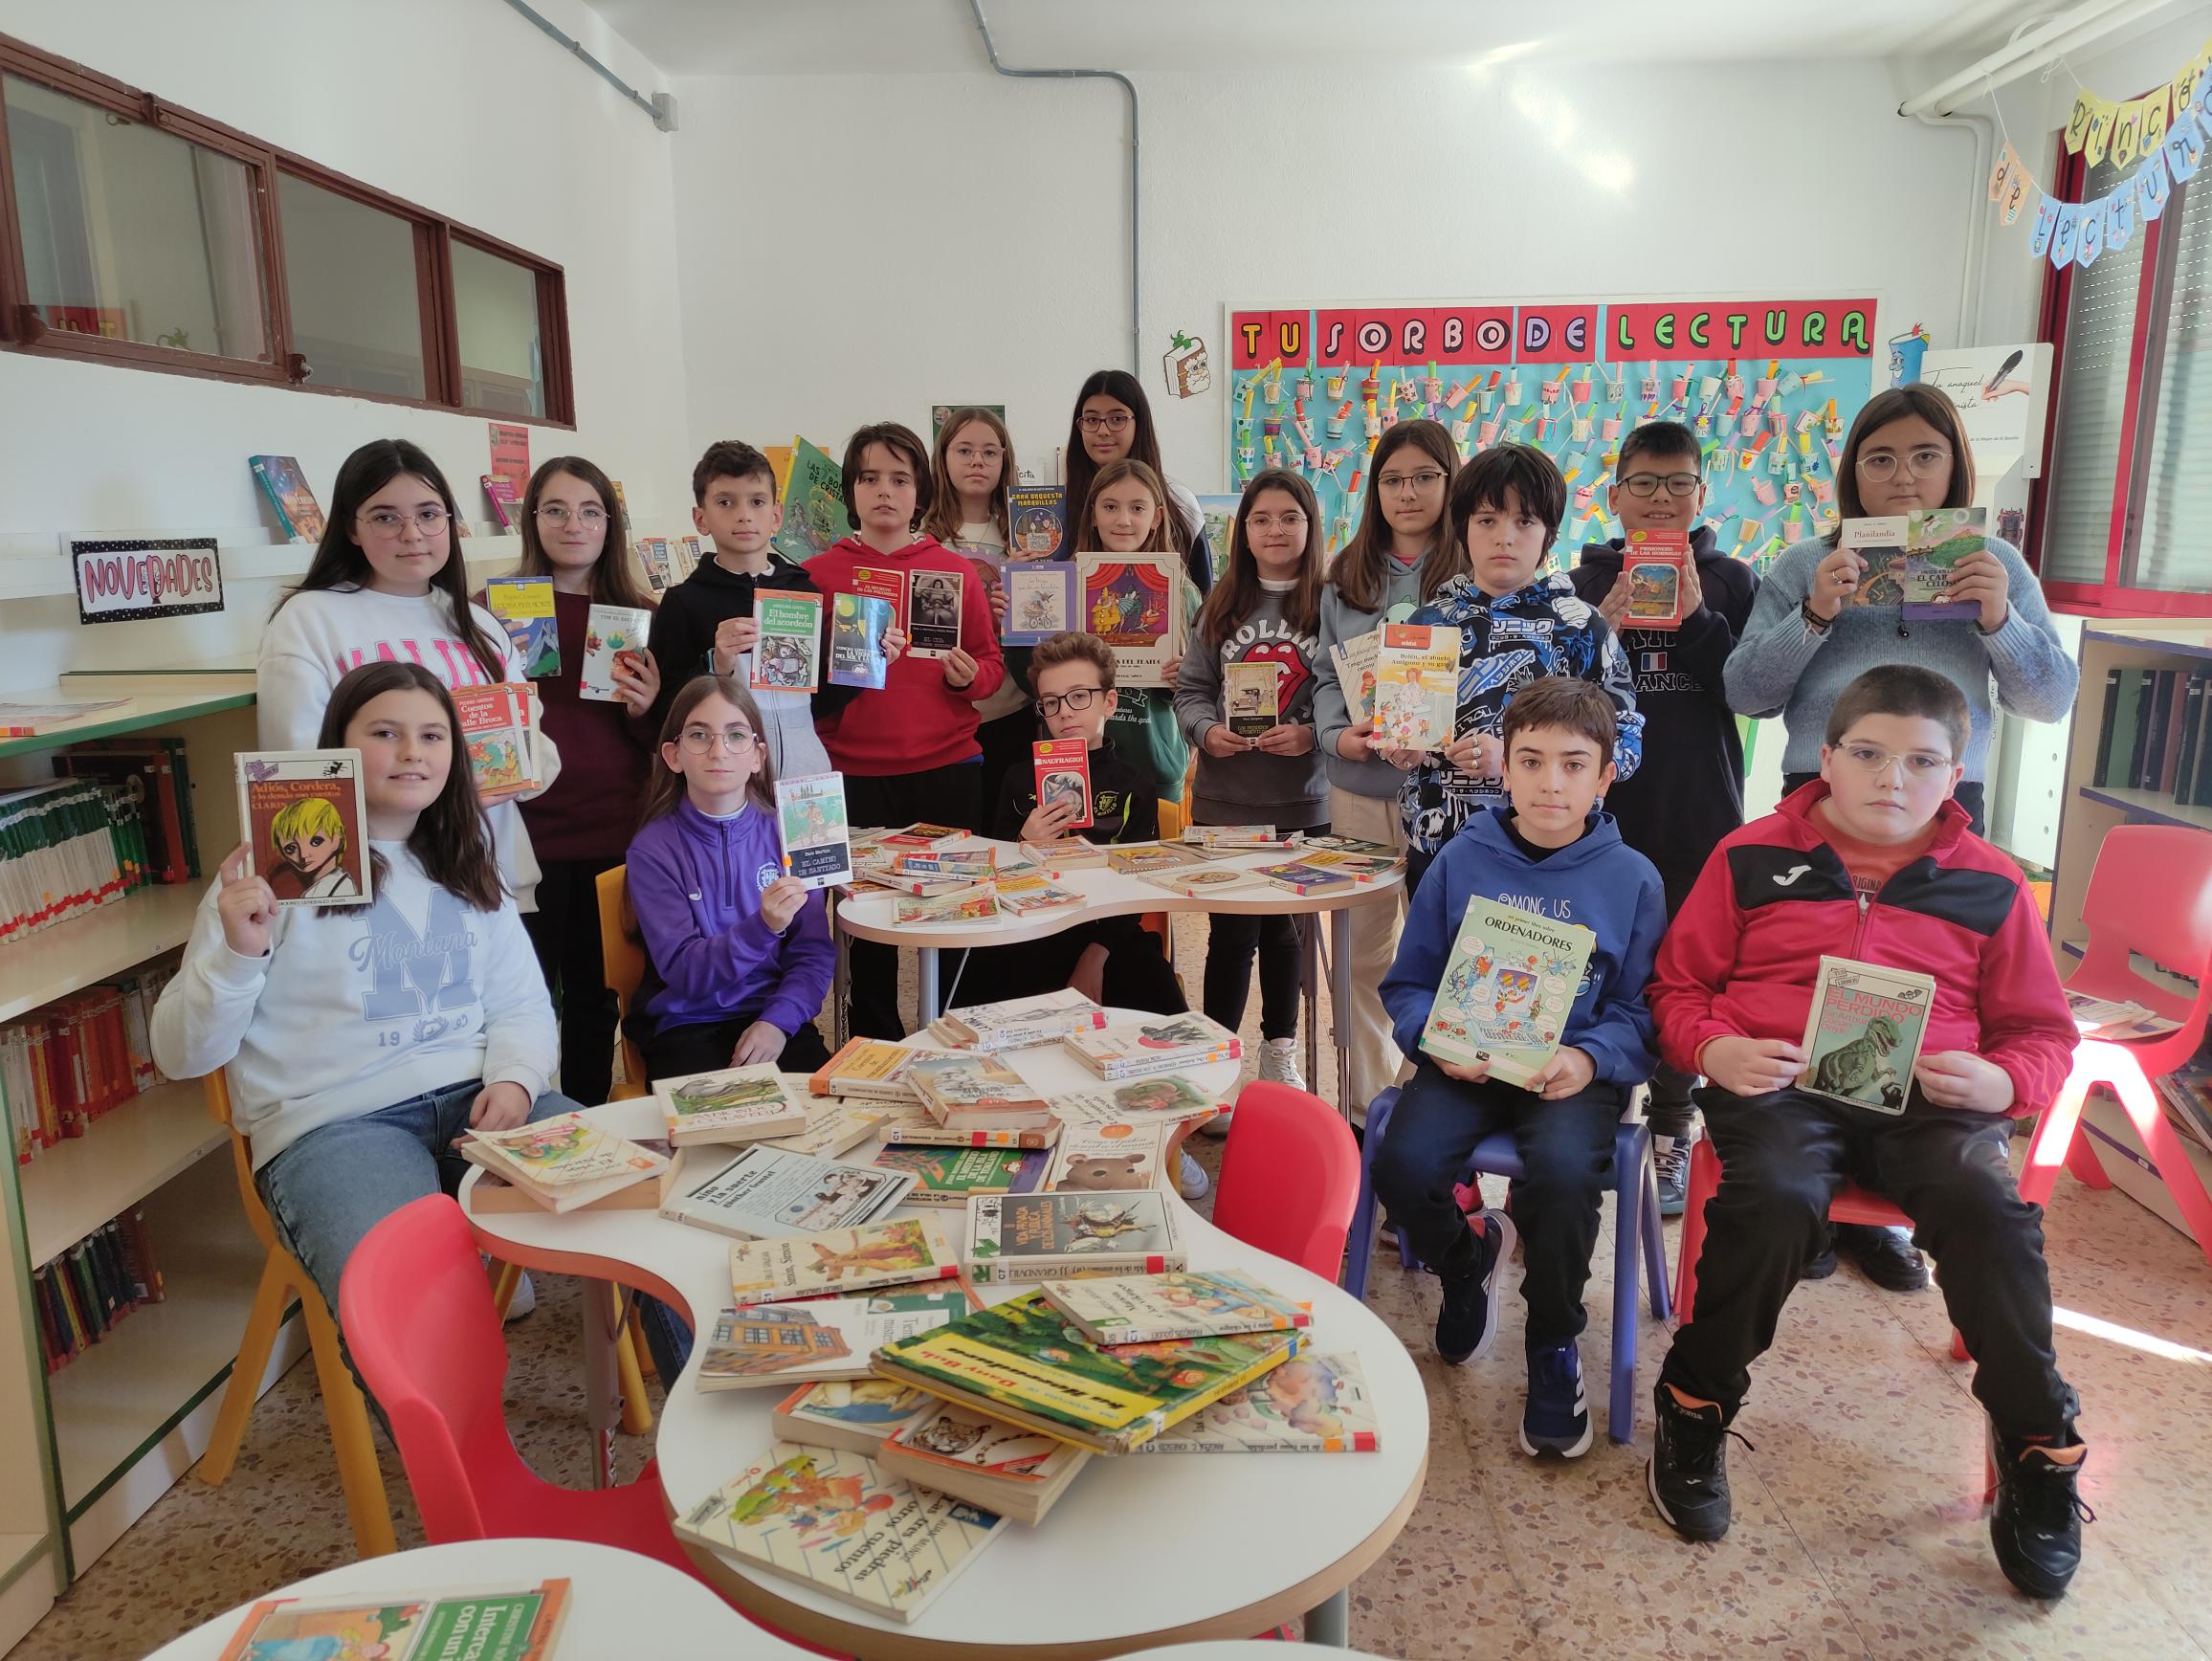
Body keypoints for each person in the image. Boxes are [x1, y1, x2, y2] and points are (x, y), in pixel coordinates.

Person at [1645, 665, 2086, 1602]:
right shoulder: (1747, 855)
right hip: (1779, 1088)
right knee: (1774, 1200)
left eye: (1922, 761)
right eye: (1868, 753)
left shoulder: (1991, 882)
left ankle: (2037, 1443)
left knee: (1989, 1212)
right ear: (1825, 757)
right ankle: (1693, 1402)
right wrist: (1714, 1047)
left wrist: (2004, 1080)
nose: (1892, 778)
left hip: (1933, 1102)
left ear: (1955, 773)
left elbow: (2043, 1035)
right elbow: (1676, 988)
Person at [1723, 383, 2076, 1290]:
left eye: (1926, 456)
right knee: (1811, 990)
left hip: (1944, 809)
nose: (1904, 476)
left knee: (1911, 1001)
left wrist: (2000, 619)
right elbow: (1746, 692)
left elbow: (2049, 698)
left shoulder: (1995, 561)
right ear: (1853, 472)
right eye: (1880, 458)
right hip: (1820, 801)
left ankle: (1883, 1210)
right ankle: (1802, 1197)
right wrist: (1814, 614)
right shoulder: (1807, 560)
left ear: (1955, 467)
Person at [148, 662, 577, 1349]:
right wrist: (238, 954)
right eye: (385, 733)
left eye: (433, 735)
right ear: (338, 748)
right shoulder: (264, 876)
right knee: (414, 1317)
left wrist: (517, 1080)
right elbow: (180, 1055)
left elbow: (522, 1002)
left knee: (654, 1211)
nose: (413, 752)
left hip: (483, 1102)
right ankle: (455, 1417)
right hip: (336, 1125)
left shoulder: (467, 857)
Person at [1373, 677, 1665, 1458]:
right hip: (1464, 1062)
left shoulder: (1634, 879)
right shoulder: (1461, 859)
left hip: (1569, 1075)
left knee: (1564, 1178)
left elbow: (1645, 1012)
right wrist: (1432, 1040)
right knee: (1401, 1162)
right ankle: (1467, 1261)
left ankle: (1552, 1340)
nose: (1550, 783)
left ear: (1605, 778)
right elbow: (1408, 983)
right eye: (1531, 762)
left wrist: (1588, 1057)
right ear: (1505, 768)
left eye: (1574, 765)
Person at [1566, 420, 1759, 1216]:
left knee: (1686, 977)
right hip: (1600, 818)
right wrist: (1602, 627)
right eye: (1643, 483)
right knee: (1597, 971)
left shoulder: (1734, 581)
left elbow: (1750, 694)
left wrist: (1698, 620)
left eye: (1678, 483)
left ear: (1700, 493)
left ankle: (1674, 1126)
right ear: (1615, 496)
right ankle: (1596, 1113)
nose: (1660, 498)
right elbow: (1558, 698)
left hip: (1697, 812)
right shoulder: (1581, 584)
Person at [257, 439, 559, 912]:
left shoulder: (479, 625)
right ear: (351, 528)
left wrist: (516, 770)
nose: (412, 534)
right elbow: (298, 771)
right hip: (377, 891)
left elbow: (535, 752)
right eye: (385, 517)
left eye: (428, 514)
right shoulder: (310, 619)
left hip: (490, 880)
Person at [958, 631, 1196, 1170]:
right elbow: (991, 876)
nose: (1065, 712)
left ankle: (1166, 1136)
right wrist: (1023, 845)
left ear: (1109, 702)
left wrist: (1096, 954)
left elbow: (1135, 888)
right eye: (1051, 702)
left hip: (1110, 936)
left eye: (1079, 697)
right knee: (975, 994)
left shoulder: (1135, 783)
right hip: (1029, 933)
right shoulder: (1017, 779)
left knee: (1158, 996)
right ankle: (1011, 1126)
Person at [805, 421, 1005, 1036]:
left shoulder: (955, 573)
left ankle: (956, 1035)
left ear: (921, 491)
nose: (885, 492)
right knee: (868, 928)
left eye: (900, 479)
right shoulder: (814, 576)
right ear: (851, 491)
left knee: (955, 916)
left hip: (946, 769)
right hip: (851, 775)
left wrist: (966, 680)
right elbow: (796, 683)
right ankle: (877, 1044)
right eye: (869, 479)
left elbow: (991, 668)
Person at [1388, 443, 1641, 897]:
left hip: (1550, 852)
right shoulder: (1425, 625)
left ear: (1549, 534)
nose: (1504, 537)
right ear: (1463, 529)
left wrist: (1514, 760)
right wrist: (1400, 747)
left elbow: (1624, 740)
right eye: (1487, 520)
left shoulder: (1581, 626)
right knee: (1432, 945)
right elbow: (1404, 731)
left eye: (1524, 521)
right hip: (1439, 845)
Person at [1314, 418, 1464, 1117]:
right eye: (1393, 480)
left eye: (1424, 477)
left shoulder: (1472, 572)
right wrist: (1337, 738)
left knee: (1445, 954)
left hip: (1448, 795)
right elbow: (1324, 677)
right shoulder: (1346, 576)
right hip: (1360, 790)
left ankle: (1420, 1102)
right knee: (1363, 955)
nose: (1408, 493)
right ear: (1375, 490)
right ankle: (1366, 1109)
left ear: (1450, 481)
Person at [502, 456, 659, 1108]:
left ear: (610, 524)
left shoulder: (640, 615)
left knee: (597, 999)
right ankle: (529, 1122)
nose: (574, 525)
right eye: (556, 510)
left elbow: (667, 744)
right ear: (533, 519)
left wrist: (648, 709)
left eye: (590, 511)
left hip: (614, 833)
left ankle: (590, 1125)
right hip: (523, 837)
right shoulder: (495, 614)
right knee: (525, 998)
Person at [1175, 469, 1327, 1101]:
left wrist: (1313, 733)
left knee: (1287, 933)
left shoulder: (1331, 603)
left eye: (1289, 517)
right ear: (1243, 531)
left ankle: (1278, 1053)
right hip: (1226, 801)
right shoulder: (1221, 603)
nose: (1275, 530)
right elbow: (1190, 690)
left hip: (1303, 801)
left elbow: (1352, 695)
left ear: (1311, 525)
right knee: (1232, 936)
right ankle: (1218, 1064)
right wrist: (1207, 732)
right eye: (1261, 518)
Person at [625, 675, 835, 1082]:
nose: (718, 751)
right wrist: (764, 927)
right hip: (687, 1023)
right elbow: (685, 972)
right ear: (673, 755)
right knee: (714, 1116)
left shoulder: (793, 833)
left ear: (758, 756)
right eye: (699, 735)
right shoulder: (652, 850)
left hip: (773, 1015)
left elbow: (811, 954)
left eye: (736, 735)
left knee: (828, 1109)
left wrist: (778, 1022)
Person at [645, 439, 864, 780]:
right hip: (728, 785)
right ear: (701, 518)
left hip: (805, 779)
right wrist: (715, 666)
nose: (744, 514)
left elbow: (817, 701)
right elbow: (666, 711)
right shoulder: (683, 602)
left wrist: (864, 664)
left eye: (757, 501)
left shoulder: (804, 592)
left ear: (776, 516)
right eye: (725, 502)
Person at [1070, 458, 1200, 820]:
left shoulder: (1182, 593)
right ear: (1093, 515)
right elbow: (1037, 679)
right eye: (1110, 507)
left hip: (1155, 761)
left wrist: (1184, 679)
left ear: (1156, 517)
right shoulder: (1068, 585)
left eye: (1137, 508)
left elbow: (1204, 688)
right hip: (1079, 762)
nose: (1123, 520)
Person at [922, 409, 1028, 808]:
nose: (977, 461)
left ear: (1004, 459)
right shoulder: (923, 536)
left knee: (1006, 822)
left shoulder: (1022, 534)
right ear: (943, 458)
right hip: (942, 710)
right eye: (964, 451)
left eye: (989, 452)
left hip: (1011, 707)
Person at [1062, 368, 1216, 607]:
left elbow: (1203, 599)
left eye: (1117, 419)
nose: (1103, 431)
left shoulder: (1179, 501)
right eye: (1091, 420)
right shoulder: (1060, 505)